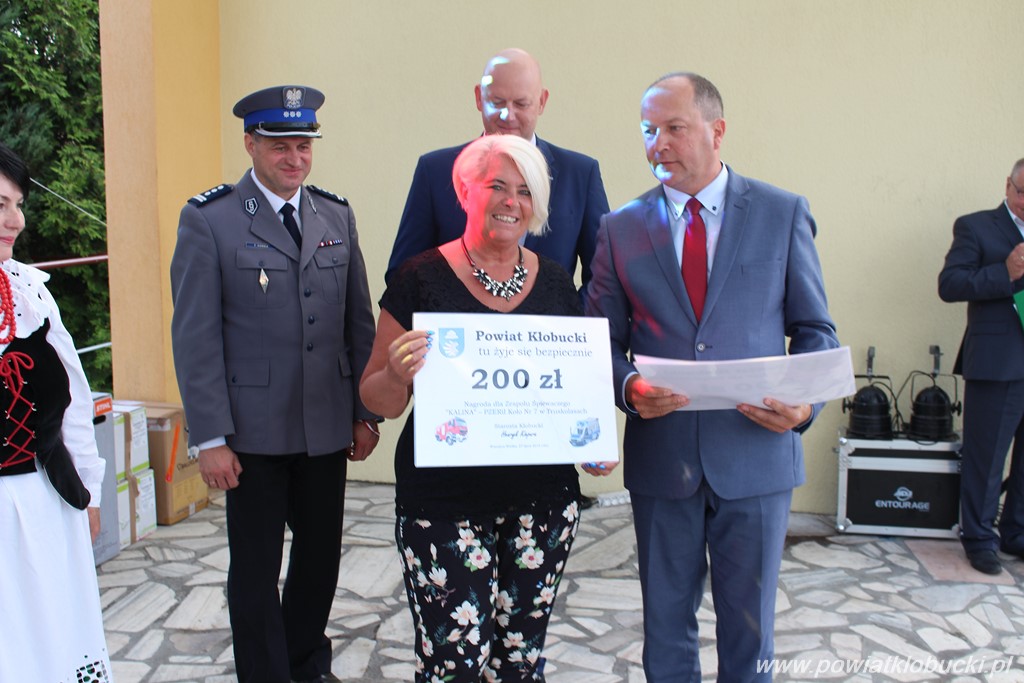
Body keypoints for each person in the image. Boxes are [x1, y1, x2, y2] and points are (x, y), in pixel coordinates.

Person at [584, 73, 839, 682]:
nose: (658, 143)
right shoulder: (620, 228)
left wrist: (804, 407)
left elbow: (816, 331)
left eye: (674, 128)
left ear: (716, 130)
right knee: (665, 627)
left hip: (756, 457)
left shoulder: (781, 212)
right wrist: (628, 389)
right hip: (663, 459)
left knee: (750, 632)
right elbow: (597, 343)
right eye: (649, 130)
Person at [360, 134, 615, 682]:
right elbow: (375, 396)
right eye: (497, 185)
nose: (510, 202)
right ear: (464, 191)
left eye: (525, 191)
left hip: (542, 503)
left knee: (519, 663)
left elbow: (572, 385)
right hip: (443, 504)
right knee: (453, 665)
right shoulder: (418, 278)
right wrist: (397, 374)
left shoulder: (556, 282)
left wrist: (592, 442)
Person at [170, 85, 380, 683]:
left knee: (319, 563)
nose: (295, 158)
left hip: (325, 425)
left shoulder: (335, 215)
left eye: (304, 145)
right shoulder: (209, 220)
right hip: (251, 434)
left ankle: (304, 665)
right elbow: (195, 337)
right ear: (250, 144)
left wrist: (365, 412)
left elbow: (358, 322)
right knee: (256, 572)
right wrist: (211, 437)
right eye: (280, 145)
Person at [0, 143, 111, 681]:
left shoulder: (29, 293)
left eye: (18, 204)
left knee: (57, 646)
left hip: (47, 502)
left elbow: (74, 402)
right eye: (0, 204)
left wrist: (89, 489)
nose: (15, 221)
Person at [385, 47, 609, 292]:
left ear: (542, 102)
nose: (508, 115)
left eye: (521, 104)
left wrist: (565, 313)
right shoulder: (435, 171)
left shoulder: (580, 174)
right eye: (497, 102)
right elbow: (402, 276)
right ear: (478, 98)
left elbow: (603, 278)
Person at [938, 158, 1024, 576]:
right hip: (997, 363)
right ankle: (978, 538)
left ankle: (1016, 532)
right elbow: (950, 285)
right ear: (1008, 185)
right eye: (1023, 193)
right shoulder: (976, 227)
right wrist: (1004, 272)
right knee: (985, 459)